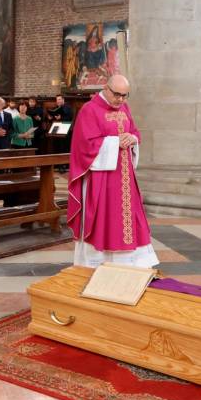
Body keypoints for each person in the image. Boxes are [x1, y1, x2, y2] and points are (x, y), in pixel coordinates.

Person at [68, 75, 158, 268]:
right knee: (105, 219)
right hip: (102, 178)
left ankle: (130, 265)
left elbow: (134, 131)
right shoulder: (89, 110)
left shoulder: (124, 108)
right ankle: (99, 263)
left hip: (125, 175)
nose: (121, 100)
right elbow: (85, 145)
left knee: (129, 217)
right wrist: (117, 141)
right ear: (105, 88)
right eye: (117, 95)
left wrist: (132, 138)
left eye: (125, 96)